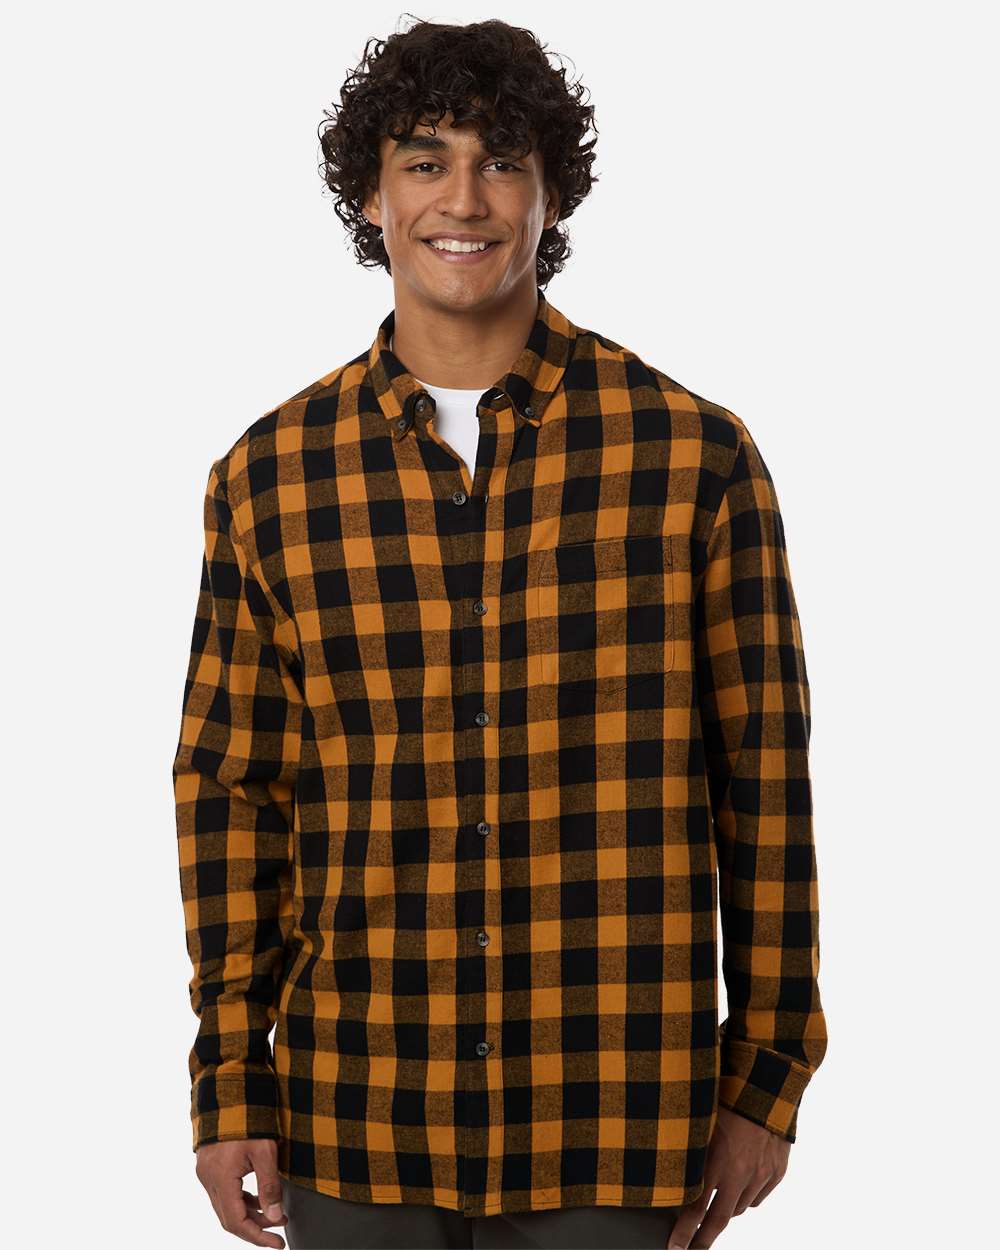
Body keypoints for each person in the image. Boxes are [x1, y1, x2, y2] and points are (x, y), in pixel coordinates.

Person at [172, 17, 827, 1250]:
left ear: (551, 194)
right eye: (424, 162)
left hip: (616, 1116)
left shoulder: (694, 456)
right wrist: (229, 1079)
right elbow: (230, 790)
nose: (462, 200)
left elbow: (763, 783)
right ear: (371, 197)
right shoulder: (269, 475)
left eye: (502, 162)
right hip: (354, 1109)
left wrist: (766, 1076)